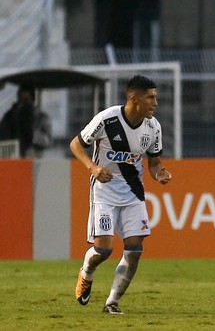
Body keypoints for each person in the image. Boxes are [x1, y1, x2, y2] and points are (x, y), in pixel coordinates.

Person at [70, 74, 172, 315]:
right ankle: (86, 273)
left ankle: (112, 303)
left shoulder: (153, 127)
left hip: (133, 194)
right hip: (104, 193)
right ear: (134, 98)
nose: (155, 103)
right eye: (151, 97)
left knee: (135, 250)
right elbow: (76, 144)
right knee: (103, 251)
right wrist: (93, 168)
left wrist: (160, 174)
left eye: (156, 97)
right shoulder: (107, 119)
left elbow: (154, 163)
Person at [0, 84, 52, 157]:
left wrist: (32, 134)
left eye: (27, 100)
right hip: (14, 159)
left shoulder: (41, 118)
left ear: (32, 100)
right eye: (21, 101)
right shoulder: (10, 116)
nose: (24, 104)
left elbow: (48, 141)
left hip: (33, 160)